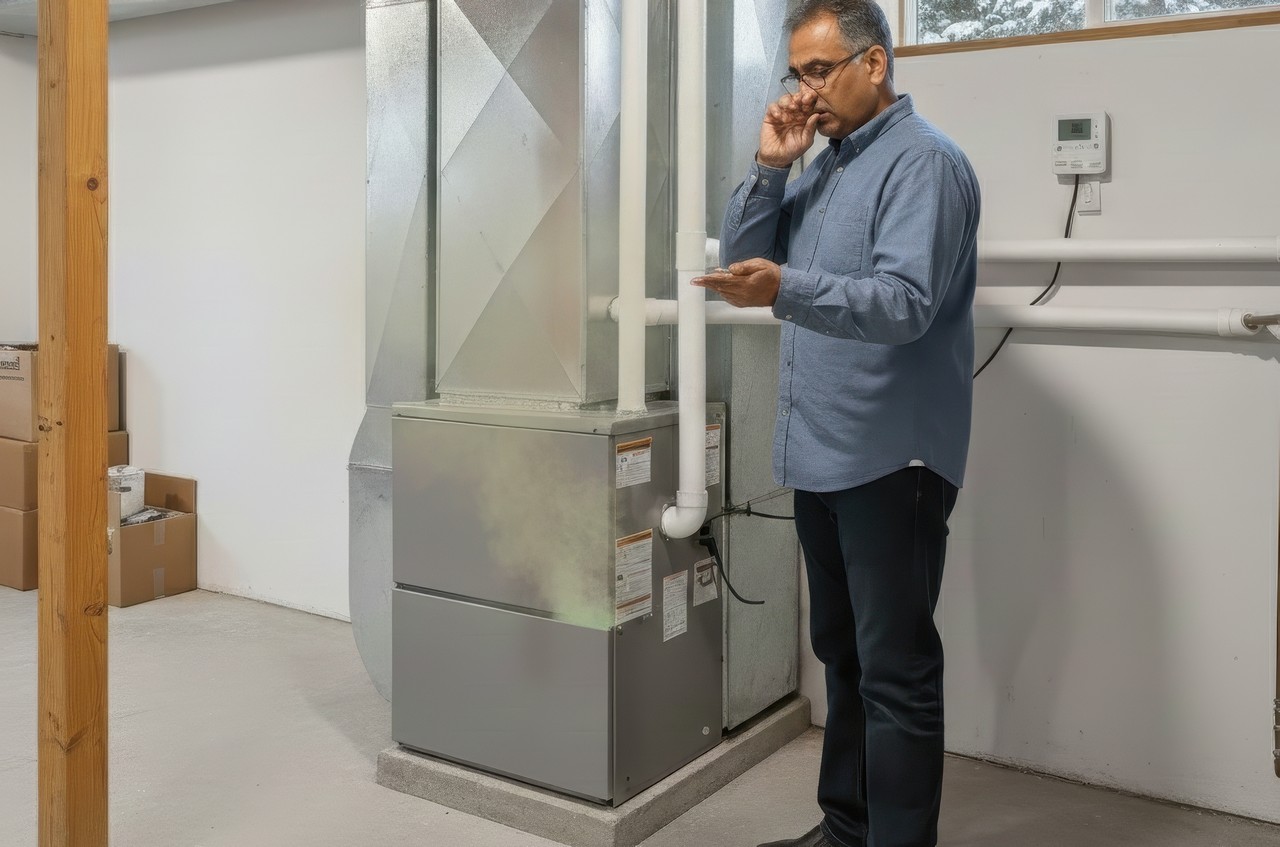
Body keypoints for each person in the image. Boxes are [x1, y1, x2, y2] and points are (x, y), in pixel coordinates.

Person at [691, 2, 980, 846]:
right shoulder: (821, 165)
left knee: (895, 670)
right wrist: (772, 167)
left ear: (876, 64)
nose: (805, 93)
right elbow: (744, 262)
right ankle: (846, 828)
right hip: (820, 451)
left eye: (819, 71)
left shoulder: (924, 165)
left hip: (893, 457)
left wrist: (784, 287)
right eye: (797, 75)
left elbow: (904, 304)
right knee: (844, 657)